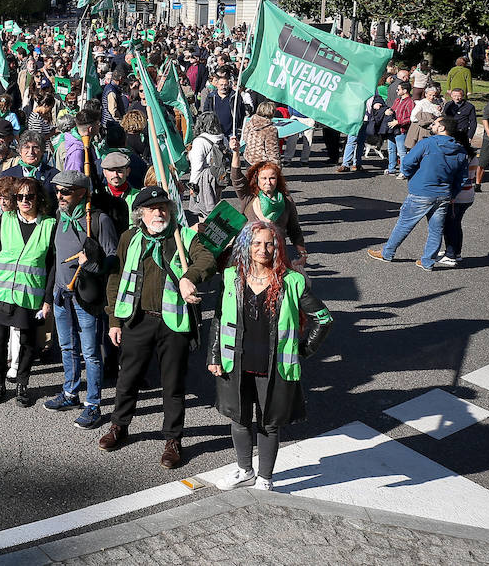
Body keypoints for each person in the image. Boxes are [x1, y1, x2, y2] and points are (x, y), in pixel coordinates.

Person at [98, 186, 218, 469]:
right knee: (127, 378)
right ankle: (119, 426)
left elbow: (207, 259)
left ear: (171, 210)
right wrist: (114, 320)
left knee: (173, 385)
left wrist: (190, 276)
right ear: (140, 213)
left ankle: (173, 440)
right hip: (136, 319)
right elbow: (115, 279)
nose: (158, 212)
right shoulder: (129, 238)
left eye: (163, 207)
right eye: (152, 208)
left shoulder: (184, 237)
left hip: (173, 322)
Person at [209, 220, 333, 492]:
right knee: (239, 419)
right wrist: (214, 355)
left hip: (275, 366)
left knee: (269, 424)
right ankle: (244, 471)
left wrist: (302, 350)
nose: (262, 249)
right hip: (236, 361)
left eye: (269, 243)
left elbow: (323, 319)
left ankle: (265, 477)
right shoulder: (231, 277)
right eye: (256, 243)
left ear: (277, 247)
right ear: (246, 246)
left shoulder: (292, 281)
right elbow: (218, 319)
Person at [44, 171, 118, 430]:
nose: (59, 196)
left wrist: (93, 263)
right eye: (57, 191)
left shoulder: (99, 220)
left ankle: (93, 404)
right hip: (61, 294)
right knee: (67, 347)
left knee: (91, 353)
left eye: (65, 191)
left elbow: (113, 258)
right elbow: (55, 257)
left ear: (81, 192)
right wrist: (51, 291)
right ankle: (70, 393)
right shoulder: (58, 216)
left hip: (86, 296)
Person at [0, 178, 56, 407]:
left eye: (29, 196)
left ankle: (23, 384)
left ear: (38, 198)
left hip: (30, 295)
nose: (24, 201)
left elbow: (52, 266)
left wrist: (47, 300)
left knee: (29, 342)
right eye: (19, 197)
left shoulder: (50, 225)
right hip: (1, 293)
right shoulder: (6, 219)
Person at [367, 113, 466, 270]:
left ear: (442, 128)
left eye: (434, 124)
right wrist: (452, 193)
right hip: (444, 194)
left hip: (422, 191)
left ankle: (387, 253)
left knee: (404, 224)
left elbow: (407, 162)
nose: (431, 126)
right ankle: (427, 261)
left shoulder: (427, 143)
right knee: (436, 230)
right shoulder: (460, 150)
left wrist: (409, 175)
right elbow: (462, 177)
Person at [229, 143, 307, 269]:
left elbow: (294, 229)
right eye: (263, 178)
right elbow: (236, 177)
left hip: (276, 254)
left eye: (272, 178)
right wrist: (236, 152)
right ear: (257, 180)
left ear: (278, 180)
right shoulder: (249, 196)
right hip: (249, 254)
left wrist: (302, 253)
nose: (268, 182)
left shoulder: (286, 201)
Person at [185, 112, 227, 221]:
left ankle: (206, 235)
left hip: (204, 179)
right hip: (218, 177)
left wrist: (193, 186)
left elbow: (197, 167)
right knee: (216, 207)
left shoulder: (200, 141)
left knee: (203, 210)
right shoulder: (223, 138)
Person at [240, 101, 281, 167]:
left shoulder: (250, 123)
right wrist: (277, 167)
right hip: (263, 162)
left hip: (249, 157)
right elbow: (272, 150)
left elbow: (245, 139)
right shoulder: (270, 129)